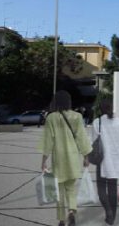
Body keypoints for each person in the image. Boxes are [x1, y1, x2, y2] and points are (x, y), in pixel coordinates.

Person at [39, 91, 92, 226]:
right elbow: (82, 138)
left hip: (59, 159)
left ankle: (62, 220)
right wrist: (86, 156)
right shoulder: (77, 116)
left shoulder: (51, 118)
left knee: (59, 191)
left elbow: (47, 141)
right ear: (69, 101)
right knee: (71, 188)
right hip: (73, 158)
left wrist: (44, 160)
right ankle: (71, 212)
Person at [90, 98, 119, 225]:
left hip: (102, 161)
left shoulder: (97, 122)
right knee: (112, 188)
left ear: (100, 108)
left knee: (101, 189)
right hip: (117, 161)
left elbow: (93, 143)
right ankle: (112, 218)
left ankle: (108, 211)